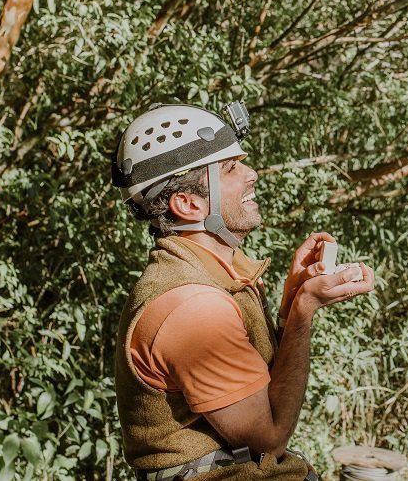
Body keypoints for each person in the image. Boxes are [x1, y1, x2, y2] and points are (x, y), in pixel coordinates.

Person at [110, 102, 374, 481]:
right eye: (230, 168)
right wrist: (304, 312)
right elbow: (269, 439)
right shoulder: (193, 306)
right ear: (188, 204)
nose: (251, 174)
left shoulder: (215, 272)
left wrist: (288, 308)